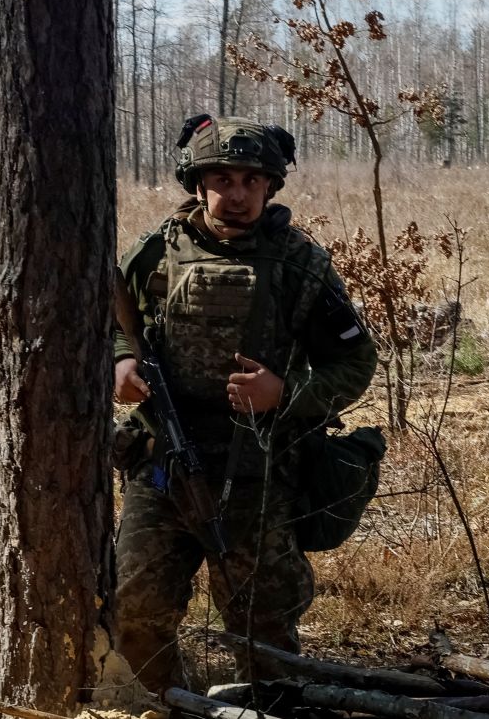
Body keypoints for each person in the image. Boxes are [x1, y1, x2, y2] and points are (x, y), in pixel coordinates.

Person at [112, 114, 378, 693]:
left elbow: (355, 361)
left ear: (270, 186)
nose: (236, 195)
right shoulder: (153, 254)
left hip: (257, 470)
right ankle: (167, 705)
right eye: (222, 179)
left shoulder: (299, 263)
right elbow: (110, 320)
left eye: (251, 181)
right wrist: (120, 364)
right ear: (197, 182)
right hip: (161, 463)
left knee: (264, 627)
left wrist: (284, 394)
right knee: (134, 610)